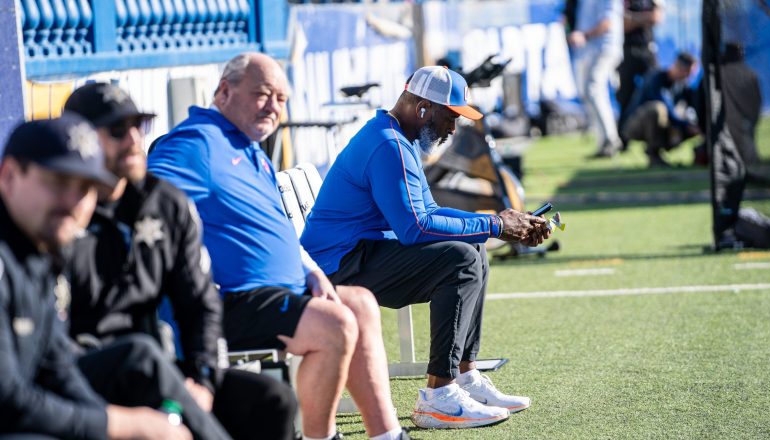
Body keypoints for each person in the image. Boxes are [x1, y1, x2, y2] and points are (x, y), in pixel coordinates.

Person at [148, 53, 408, 440]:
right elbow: (149, 204)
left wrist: (310, 270)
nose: (273, 107)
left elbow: (276, 228)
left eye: (281, 99)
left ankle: (388, 435)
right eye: (262, 94)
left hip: (275, 293)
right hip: (225, 301)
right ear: (224, 92)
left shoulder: (251, 149)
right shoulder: (194, 143)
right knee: (333, 326)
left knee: (360, 304)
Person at [300, 66, 551, 429]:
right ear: (422, 108)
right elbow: (415, 228)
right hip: (336, 270)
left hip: (354, 256)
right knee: (462, 258)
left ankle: (464, 375)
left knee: (473, 249)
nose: (453, 130)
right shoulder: (389, 145)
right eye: (450, 118)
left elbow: (427, 212)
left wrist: (497, 220)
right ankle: (439, 394)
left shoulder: (394, 137)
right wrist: (496, 224)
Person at [63, 82, 299, 440]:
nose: (132, 139)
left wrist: (202, 379)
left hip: (157, 371)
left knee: (271, 400)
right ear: (79, 139)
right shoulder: (56, 212)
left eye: (137, 126)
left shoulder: (165, 203)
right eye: (116, 130)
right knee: (138, 358)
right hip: (80, 378)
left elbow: (200, 303)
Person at [0, 115, 193, 440]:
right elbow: (7, 400)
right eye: (58, 181)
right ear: (9, 176)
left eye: (87, 188)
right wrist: (120, 425)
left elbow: (58, 370)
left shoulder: (40, 252)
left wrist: (117, 426)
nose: (73, 202)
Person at [621, 52, 699, 167]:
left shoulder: (681, 85)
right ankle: (654, 155)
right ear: (678, 67)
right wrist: (685, 125)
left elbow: (693, 104)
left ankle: (664, 150)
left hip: (660, 127)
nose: (689, 77)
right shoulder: (656, 78)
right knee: (657, 109)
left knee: (688, 117)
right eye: (687, 72)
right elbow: (666, 107)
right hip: (634, 126)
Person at [569, 0, 625, 158]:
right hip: (589, 49)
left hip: (604, 47)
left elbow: (607, 22)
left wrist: (584, 35)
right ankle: (603, 141)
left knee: (594, 90)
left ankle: (610, 139)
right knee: (587, 93)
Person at [617, 0, 663, 126]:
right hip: (627, 51)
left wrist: (633, 19)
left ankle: (656, 135)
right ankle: (623, 135)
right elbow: (622, 23)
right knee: (625, 94)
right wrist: (645, 18)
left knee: (655, 90)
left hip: (648, 50)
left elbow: (656, 17)